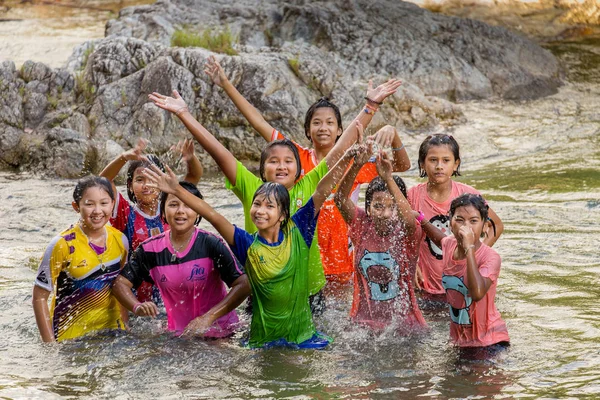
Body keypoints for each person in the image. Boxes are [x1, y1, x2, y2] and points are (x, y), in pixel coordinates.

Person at [146, 89, 369, 310]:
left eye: (288, 161)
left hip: (308, 294)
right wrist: (185, 114)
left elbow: (340, 149)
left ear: (299, 169)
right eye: (273, 161)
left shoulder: (309, 186)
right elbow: (219, 152)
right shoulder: (252, 189)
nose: (281, 166)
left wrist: (371, 106)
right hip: (263, 294)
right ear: (262, 169)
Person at [205, 55, 409, 288]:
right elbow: (259, 123)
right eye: (317, 123)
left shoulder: (353, 159)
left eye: (330, 123)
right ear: (308, 130)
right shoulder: (294, 158)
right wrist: (226, 84)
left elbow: (400, 167)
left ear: (341, 129)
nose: (323, 128)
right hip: (302, 254)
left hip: (342, 254)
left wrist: (391, 130)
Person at [142, 140, 359, 349]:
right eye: (256, 204)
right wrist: (178, 190)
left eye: (269, 206)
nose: (260, 210)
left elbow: (321, 189)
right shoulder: (246, 244)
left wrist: (349, 158)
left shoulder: (300, 230)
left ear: (283, 214)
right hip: (261, 342)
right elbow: (212, 215)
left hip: (302, 339)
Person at [111, 181, 250, 338]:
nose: (180, 211)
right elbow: (119, 284)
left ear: (198, 212)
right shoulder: (150, 250)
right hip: (178, 337)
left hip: (221, 333)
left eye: (188, 205)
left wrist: (208, 318)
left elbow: (244, 284)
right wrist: (136, 306)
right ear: (162, 211)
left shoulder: (211, 243)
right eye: (173, 204)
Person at [335, 144, 426, 331]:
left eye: (392, 207)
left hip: (404, 326)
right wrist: (356, 165)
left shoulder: (406, 232)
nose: (385, 213)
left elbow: (409, 220)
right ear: (368, 208)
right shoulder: (362, 225)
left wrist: (388, 178)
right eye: (378, 206)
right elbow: (340, 200)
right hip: (362, 324)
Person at [100, 138, 203, 303]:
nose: (146, 185)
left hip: (173, 294)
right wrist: (124, 157)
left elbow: (194, 175)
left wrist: (190, 158)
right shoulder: (124, 213)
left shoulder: (172, 207)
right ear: (130, 184)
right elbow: (103, 181)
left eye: (153, 179)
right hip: (135, 298)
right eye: (140, 180)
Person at [407, 134, 504, 302]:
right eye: (433, 160)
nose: (439, 166)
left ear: (456, 164)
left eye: (446, 160)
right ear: (422, 164)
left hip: (462, 281)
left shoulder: (468, 195)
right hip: (426, 284)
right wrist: (410, 262)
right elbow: (401, 233)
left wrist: (476, 254)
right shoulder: (413, 195)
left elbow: (496, 225)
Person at [32, 177, 129, 342]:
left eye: (104, 203)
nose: (97, 211)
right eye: (89, 204)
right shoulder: (61, 245)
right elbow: (39, 297)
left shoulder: (121, 240)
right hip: (70, 338)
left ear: (113, 204)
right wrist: (50, 346)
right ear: (76, 207)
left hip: (112, 334)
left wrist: (126, 326)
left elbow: (121, 286)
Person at [419, 193, 509, 349]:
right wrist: (421, 220)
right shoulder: (449, 245)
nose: (465, 227)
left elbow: (477, 293)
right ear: (450, 223)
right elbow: (439, 239)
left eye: (473, 221)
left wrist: (469, 249)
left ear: (485, 226)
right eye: (459, 220)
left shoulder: (491, 257)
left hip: (489, 342)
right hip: (460, 342)